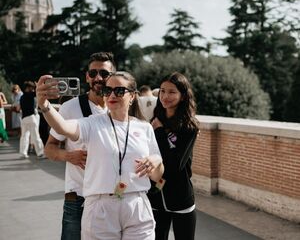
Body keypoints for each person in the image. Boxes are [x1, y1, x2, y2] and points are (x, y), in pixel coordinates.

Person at [37, 71, 164, 240]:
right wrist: (44, 105)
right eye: (107, 90)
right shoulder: (92, 123)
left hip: (137, 205)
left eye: (119, 91)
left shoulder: (144, 128)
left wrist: (156, 160)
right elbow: (62, 127)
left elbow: (158, 175)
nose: (111, 95)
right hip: (101, 207)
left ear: (132, 96)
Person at [45, 52, 116, 240]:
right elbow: (49, 148)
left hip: (111, 197)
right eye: (93, 73)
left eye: (104, 73)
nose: (98, 78)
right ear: (86, 77)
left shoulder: (117, 108)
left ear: (113, 76)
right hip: (78, 197)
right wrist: (68, 156)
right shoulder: (70, 107)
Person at [148, 72, 200, 240]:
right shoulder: (153, 121)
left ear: (183, 96)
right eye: (162, 91)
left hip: (180, 198)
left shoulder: (189, 127)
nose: (165, 96)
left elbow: (175, 164)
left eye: (172, 92)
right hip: (156, 196)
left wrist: (161, 132)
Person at [19, 81, 45, 159]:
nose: (33, 89)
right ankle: (40, 153)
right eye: (32, 88)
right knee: (36, 135)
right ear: (28, 88)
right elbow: (38, 92)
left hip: (24, 118)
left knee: (24, 136)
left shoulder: (22, 97)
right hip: (31, 118)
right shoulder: (30, 95)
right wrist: (37, 86)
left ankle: (23, 153)